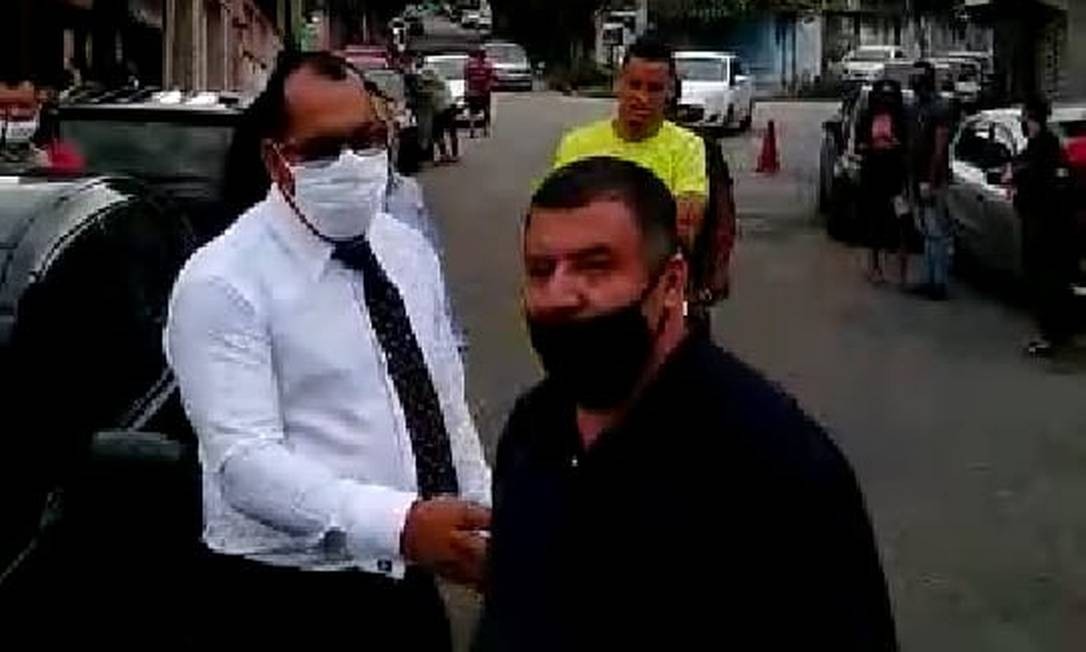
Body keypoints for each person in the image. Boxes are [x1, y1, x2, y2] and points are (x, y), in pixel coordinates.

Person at [476, 157, 898, 651]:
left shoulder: (779, 469)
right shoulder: (534, 430)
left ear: (672, 284)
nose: (561, 294)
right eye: (541, 270)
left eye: (596, 266)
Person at [166, 52, 491, 646]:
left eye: (368, 139)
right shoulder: (222, 282)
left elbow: (442, 396)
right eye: (322, 149)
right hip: (282, 594)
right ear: (276, 159)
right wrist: (400, 524)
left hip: (400, 578)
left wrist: (482, 516)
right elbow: (244, 465)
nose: (353, 163)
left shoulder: (404, 251)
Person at [553, 36, 707, 254]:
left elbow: (685, 229)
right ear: (618, 83)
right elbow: (558, 220)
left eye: (654, 89)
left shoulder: (688, 148)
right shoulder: (576, 145)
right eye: (634, 85)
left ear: (670, 92)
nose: (642, 98)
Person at [1009, 97, 1077, 357]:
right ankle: (1058, 332)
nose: (1024, 123)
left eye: (1025, 117)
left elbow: (1039, 182)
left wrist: (1017, 176)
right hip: (1049, 223)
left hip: (1044, 225)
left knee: (1045, 281)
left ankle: (1050, 335)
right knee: (1053, 280)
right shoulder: (1043, 146)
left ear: (1031, 117)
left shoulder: (1043, 148)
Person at [908, 61, 954, 300]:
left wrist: (931, 179)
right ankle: (930, 279)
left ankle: (939, 283)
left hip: (932, 179)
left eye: (917, 78)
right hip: (918, 176)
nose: (914, 83)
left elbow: (939, 147)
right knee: (926, 231)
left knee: (936, 232)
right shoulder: (917, 107)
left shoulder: (939, 108)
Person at [857, 78, 909, 287]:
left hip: (896, 177)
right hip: (873, 175)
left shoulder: (901, 119)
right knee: (874, 223)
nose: (885, 102)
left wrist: (896, 146)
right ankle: (875, 267)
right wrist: (870, 146)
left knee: (901, 222)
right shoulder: (868, 118)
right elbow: (860, 143)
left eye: (889, 97)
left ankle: (900, 271)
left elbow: (907, 144)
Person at [464, 48, 495, 138]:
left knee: (473, 112)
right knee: (486, 111)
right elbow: (491, 78)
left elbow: (466, 78)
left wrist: (467, 90)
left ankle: (473, 129)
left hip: (473, 91)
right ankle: (485, 129)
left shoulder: (469, 65)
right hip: (483, 92)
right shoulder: (488, 65)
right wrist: (488, 87)